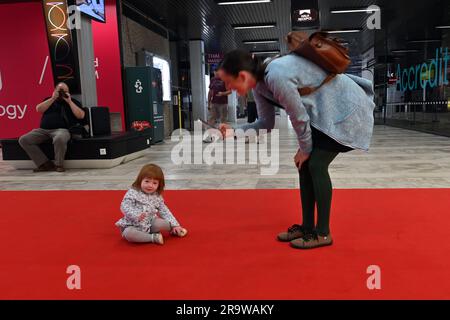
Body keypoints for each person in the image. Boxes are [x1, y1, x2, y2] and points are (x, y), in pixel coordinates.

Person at [217, 50, 375, 249]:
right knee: (305, 165)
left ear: (241, 75)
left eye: (228, 82)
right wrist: (234, 132)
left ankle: (323, 233)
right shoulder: (259, 87)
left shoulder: (276, 75)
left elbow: (298, 118)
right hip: (324, 113)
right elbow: (266, 123)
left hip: (345, 109)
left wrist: (305, 149)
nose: (228, 88)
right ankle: (307, 227)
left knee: (316, 164)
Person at [18, 82, 85, 172]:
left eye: (64, 91)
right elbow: (38, 109)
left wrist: (69, 102)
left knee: (59, 138)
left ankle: (59, 165)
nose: (62, 94)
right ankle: (44, 164)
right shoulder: (49, 100)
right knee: (24, 139)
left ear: (68, 92)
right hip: (43, 130)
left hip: (62, 130)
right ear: (54, 91)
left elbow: (81, 115)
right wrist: (53, 98)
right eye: (59, 91)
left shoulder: (73, 101)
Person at [115, 164, 188, 244]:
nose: (150, 185)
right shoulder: (133, 192)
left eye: (154, 183)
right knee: (129, 234)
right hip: (133, 224)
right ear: (140, 180)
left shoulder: (157, 196)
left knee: (162, 223)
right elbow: (125, 206)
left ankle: (175, 230)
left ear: (159, 185)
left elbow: (164, 211)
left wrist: (175, 225)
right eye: (147, 181)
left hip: (150, 223)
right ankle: (152, 238)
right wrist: (136, 215)